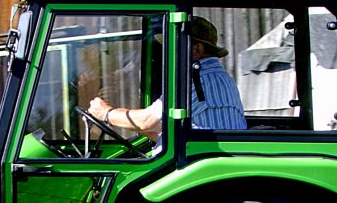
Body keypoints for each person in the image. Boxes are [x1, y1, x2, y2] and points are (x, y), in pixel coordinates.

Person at [87, 16, 246, 139]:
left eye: (174, 46)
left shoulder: (197, 79)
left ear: (196, 49)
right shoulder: (218, 77)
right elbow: (159, 130)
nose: (168, 54)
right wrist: (118, 119)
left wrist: (107, 113)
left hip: (200, 162)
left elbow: (147, 121)